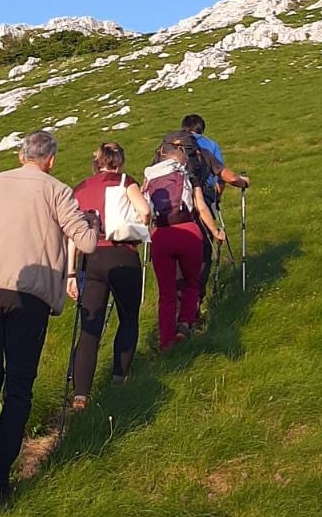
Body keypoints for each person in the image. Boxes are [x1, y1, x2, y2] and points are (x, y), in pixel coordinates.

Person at [0, 130, 98, 504]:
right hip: (30, 297)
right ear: (51, 160)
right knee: (19, 387)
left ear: (21, 155)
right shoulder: (58, 191)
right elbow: (86, 242)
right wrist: (92, 225)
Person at [66, 143, 152, 409]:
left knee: (90, 328)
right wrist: (140, 224)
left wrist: (71, 272)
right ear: (120, 162)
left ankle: (81, 393)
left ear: (97, 163)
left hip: (90, 258)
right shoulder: (126, 182)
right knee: (128, 318)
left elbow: (72, 233)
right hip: (121, 254)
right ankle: (119, 378)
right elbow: (145, 212)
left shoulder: (80, 188)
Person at [143, 134, 225, 352]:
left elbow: (144, 210)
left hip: (161, 234)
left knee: (166, 292)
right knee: (192, 282)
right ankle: (185, 324)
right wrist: (215, 231)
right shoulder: (187, 176)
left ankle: (165, 341)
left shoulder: (150, 178)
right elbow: (201, 207)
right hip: (188, 231)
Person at [179, 114, 251, 297]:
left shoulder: (172, 146)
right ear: (202, 129)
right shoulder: (210, 145)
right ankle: (196, 297)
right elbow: (222, 177)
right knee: (204, 248)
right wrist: (218, 197)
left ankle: (180, 296)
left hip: (175, 205)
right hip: (204, 198)